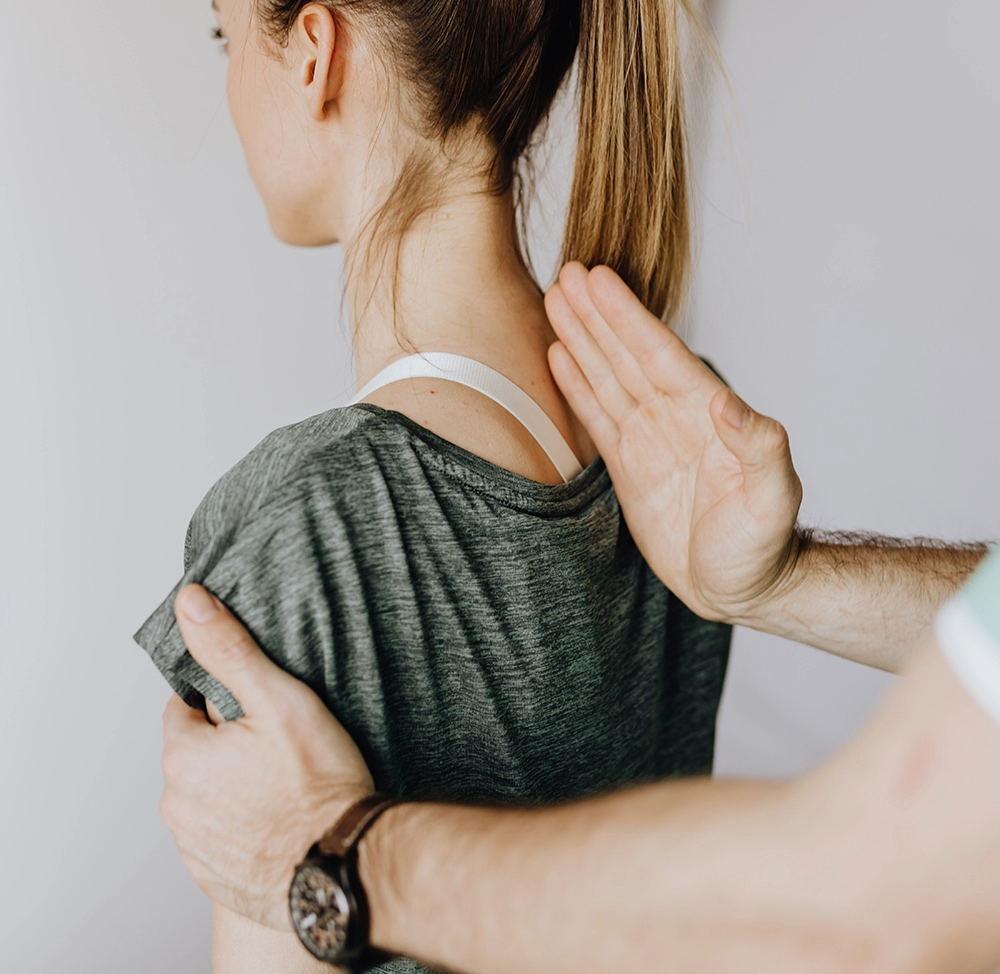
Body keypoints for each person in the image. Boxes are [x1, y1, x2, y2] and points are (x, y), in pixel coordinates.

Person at [158, 265, 997, 973]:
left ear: (316, 62)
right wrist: (782, 579)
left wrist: (335, 852)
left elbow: (875, 906)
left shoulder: (306, 519)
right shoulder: (644, 447)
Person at [137, 2, 749, 971]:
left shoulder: (314, 523)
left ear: (314, 52)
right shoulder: (673, 441)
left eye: (224, 35)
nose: (223, 81)